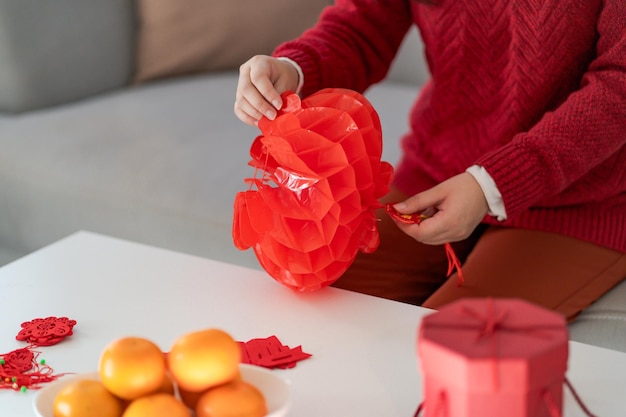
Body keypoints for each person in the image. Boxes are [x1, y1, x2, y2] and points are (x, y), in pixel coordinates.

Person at [234, 0, 626, 321]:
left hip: (584, 199)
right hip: (438, 173)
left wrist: (492, 184)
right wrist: (294, 69)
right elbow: (364, 26)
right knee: (312, 315)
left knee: (448, 351)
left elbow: (619, 86)